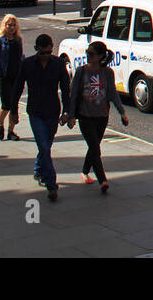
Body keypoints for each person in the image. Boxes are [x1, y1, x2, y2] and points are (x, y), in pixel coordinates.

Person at [10, 33, 72, 201]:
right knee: (44, 146)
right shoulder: (27, 64)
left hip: (52, 111)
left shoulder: (58, 63)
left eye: (49, 52)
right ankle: (51, 184)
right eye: (43, 53)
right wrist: (13, 111)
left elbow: (66, 89)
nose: (46, 56)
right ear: (37, 49)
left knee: (46, 145)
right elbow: (17, 87)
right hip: (35, 111)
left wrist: (67, 112)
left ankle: (38, 169)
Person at [65, 40, 129, 194]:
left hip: (102, 115)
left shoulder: (107, 73)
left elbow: (113, 93)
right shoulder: (81, 71)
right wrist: (71, 115)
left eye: (91, 54)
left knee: (94, 147)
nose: (88, 56)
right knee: (95, 148)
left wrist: (122, 112)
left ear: (100, 56)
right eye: (87, 53)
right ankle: (103, 180)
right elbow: (73, 95)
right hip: (85, 116)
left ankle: (85, 170)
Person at [0, 14, 24, 142]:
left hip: (16, 77)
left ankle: (11, 131)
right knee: (6, 105)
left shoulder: (18, 40)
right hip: (3, 77)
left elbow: (20, 58)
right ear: (4, 26)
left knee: (14, 105)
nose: (11, 28)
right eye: (9, 25)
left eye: (14, 25)